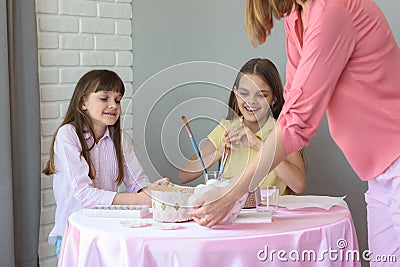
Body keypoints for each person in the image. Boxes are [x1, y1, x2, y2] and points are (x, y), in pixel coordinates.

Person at [188, 0, 400, 262]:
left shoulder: (333, 9)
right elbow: (293, 103)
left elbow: (296, 122)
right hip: (380, 174)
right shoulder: (296, 17)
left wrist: (232, 194)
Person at [42, 69, 170, 257]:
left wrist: (153, 192)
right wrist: (139, 200)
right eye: (104, 98)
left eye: (117, 100)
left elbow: (137, 183)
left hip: (109, 231)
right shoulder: (68, 135)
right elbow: (84, 194)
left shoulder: (119, 139)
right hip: (77, 234)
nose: (113, 105)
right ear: (83, 102)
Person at [179, 58, 306, 200]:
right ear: (236, 93)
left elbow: (298, 184)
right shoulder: (226, 128)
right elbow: (184, 175)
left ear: (273, 99)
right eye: (244, 93)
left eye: (261, 95)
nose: (251, 101)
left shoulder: (283, 131)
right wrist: (220, 151)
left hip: (271, 214)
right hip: (233, 213)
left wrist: (258, 145)